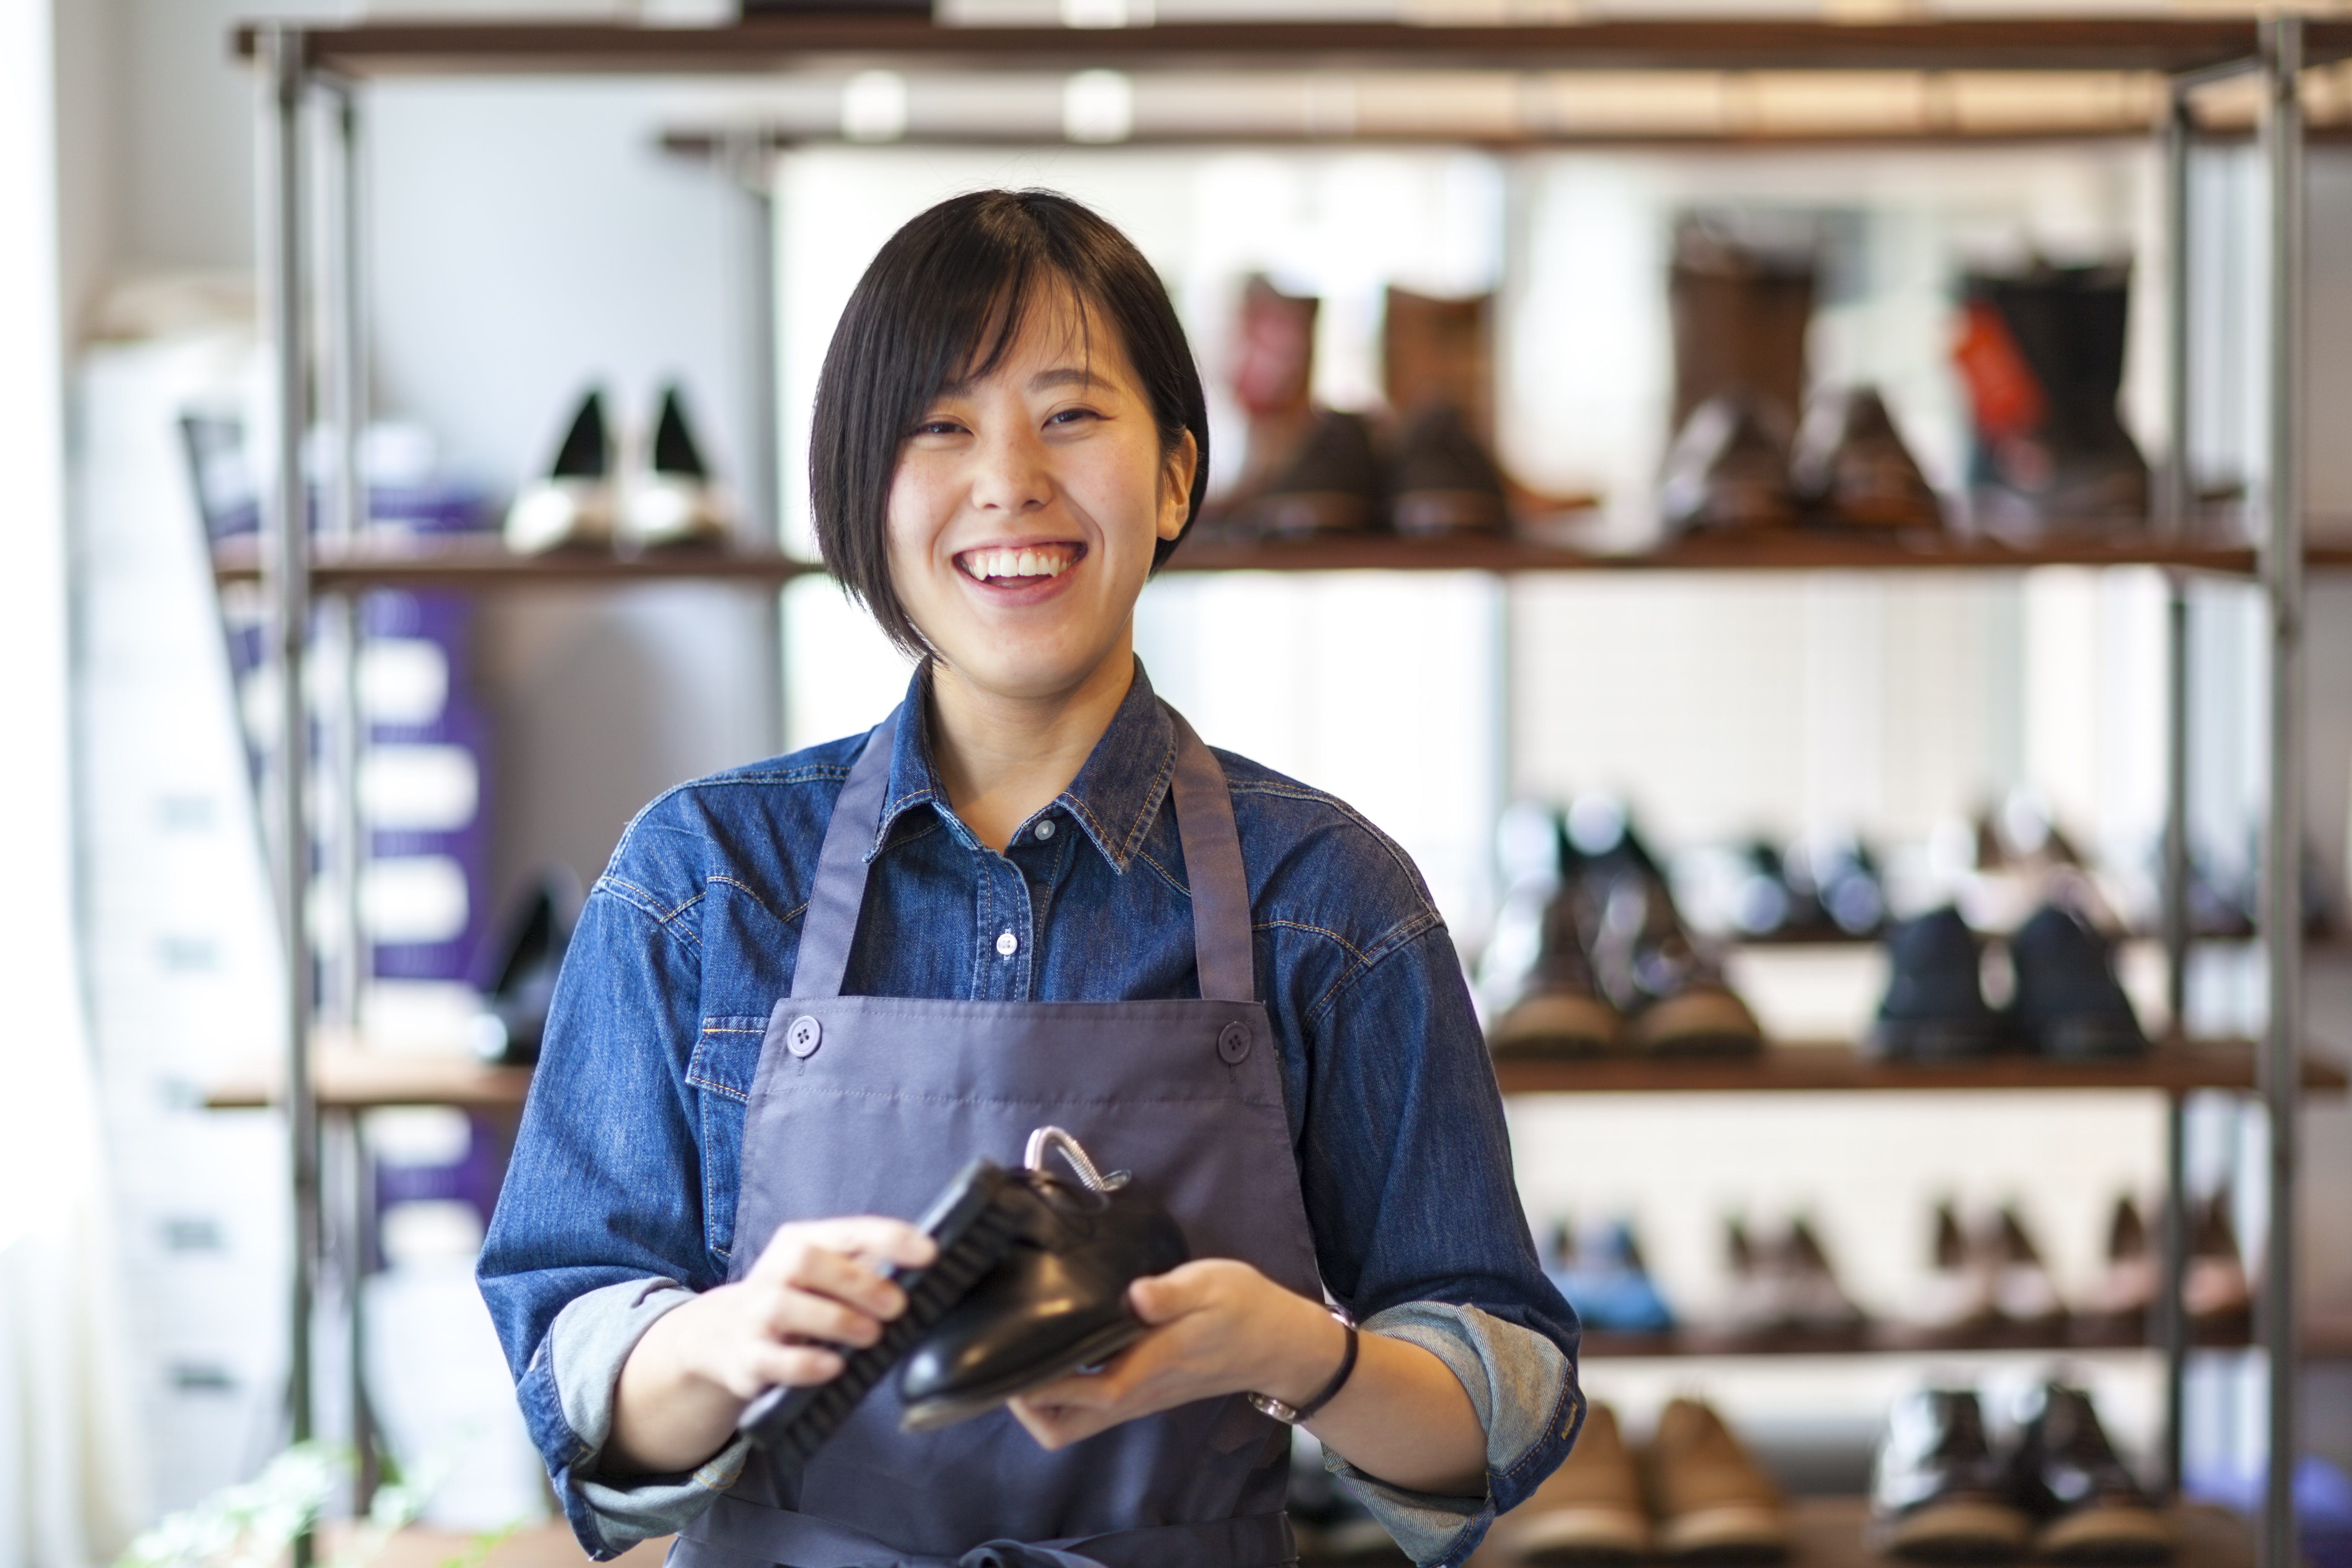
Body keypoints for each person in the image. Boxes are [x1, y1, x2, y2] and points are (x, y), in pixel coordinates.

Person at [479, 189, 1580, 1568]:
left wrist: (1300, 1352)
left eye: (1070, 415)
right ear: (862, 491)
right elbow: (572, 1369)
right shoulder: (702, 883)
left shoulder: (1330, 901)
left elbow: (1499, 1411)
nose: (1008, 480)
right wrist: (718, 1342)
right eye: (941, 426)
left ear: (1175, 475)